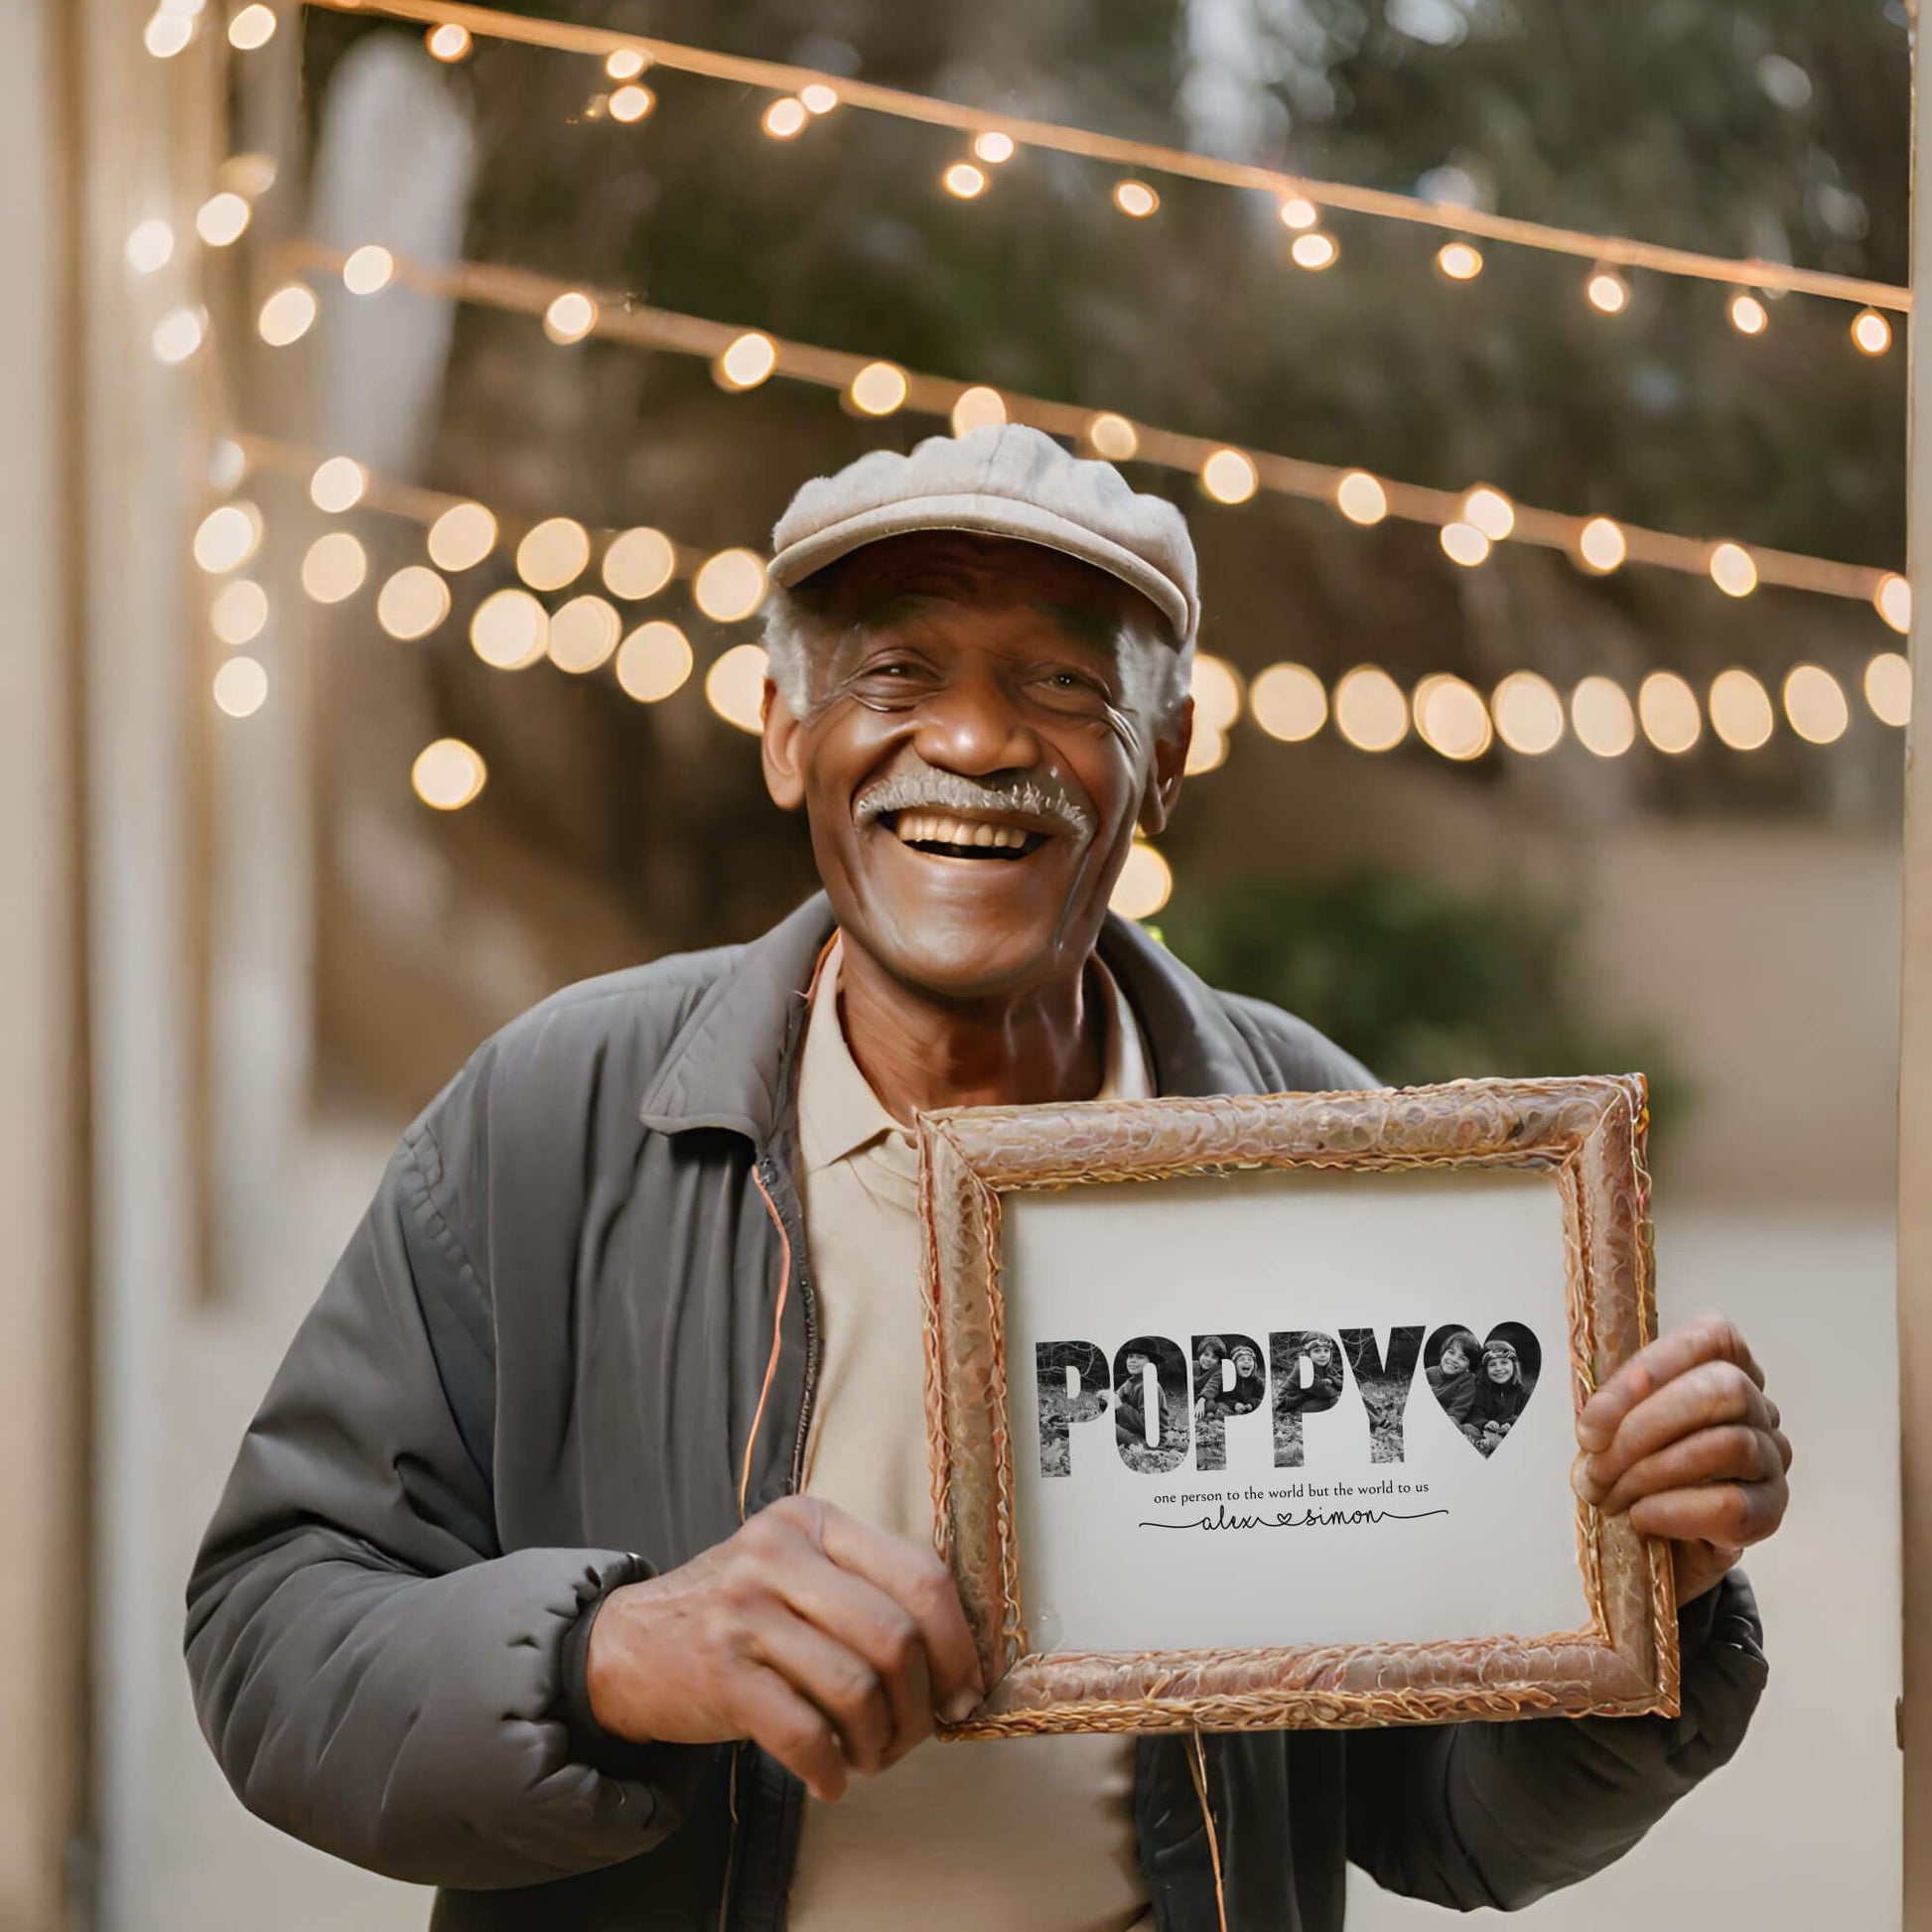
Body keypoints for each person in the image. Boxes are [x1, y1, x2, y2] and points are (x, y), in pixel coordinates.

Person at [184, 425, 1790, 1931]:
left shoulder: (1321, 1149)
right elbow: (268, 1636)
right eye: (897, 671)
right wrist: (610, 1658)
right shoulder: (555, 1118)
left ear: (1163, 758)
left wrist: (1649, 1605)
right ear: (783, 733)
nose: (970, 738)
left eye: (1059, 685)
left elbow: (1444, 1817)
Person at [1427, 1327, 1480, 1426]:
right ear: (1443, 1353)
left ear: (1469, 1365)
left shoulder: (1467, 1382)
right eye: (1451, 1352)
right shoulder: (1429, 1373)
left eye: (1463, 1358)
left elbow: (1456, 1414)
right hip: (1423, 1414)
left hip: (1444, 1422)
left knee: (1468, 1429)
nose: (1454, 1359)